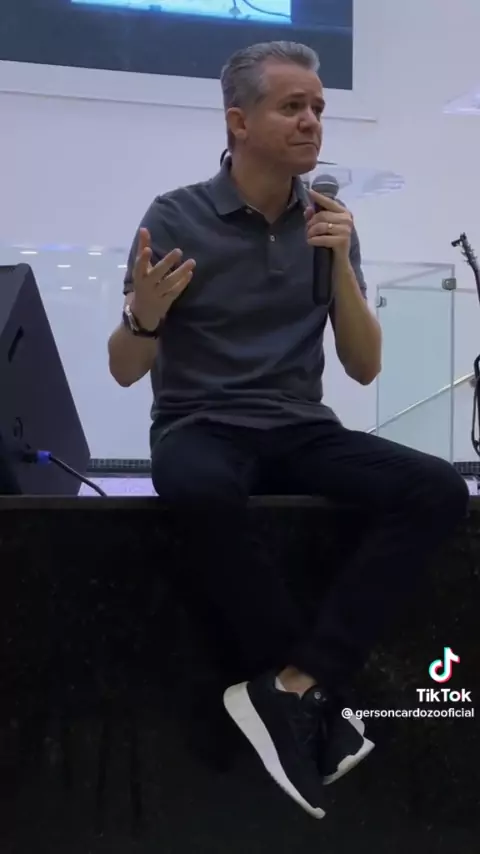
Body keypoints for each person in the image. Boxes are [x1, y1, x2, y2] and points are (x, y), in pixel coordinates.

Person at [108, 41, 469, 819]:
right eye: (292, 107)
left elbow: (364, 367)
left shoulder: (330, 224)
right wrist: (144, 315)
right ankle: (316, 702)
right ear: (239, 122)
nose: (312, 122)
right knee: (199, 485)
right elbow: (125, 370)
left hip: (300, 426)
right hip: (201, 424)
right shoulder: (175, 216)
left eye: (318, 109)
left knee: (438, 488)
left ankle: (298, 684)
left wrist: (339, 264)